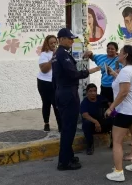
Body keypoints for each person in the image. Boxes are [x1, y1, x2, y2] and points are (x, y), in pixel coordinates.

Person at [52, 28, 100, 171]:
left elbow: (56, 77)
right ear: (61, 39)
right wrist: (90, 71)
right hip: (68, 94)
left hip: (62, 92)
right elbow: (73, 74)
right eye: (69, 38)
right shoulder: (62, 54)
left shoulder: (58, 54)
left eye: (72, 39)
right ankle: (64, 162)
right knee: (69, 129)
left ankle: (68, 155)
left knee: (68, 127)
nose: (72, 41)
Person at [104, 45, 132, 182]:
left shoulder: (126, 71)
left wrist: (111, 108)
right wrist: (115, 74)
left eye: (120, 52)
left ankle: (118, 171)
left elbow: (124, 92)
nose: (118, 54)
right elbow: (127, 86)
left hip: (125, 111)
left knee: (117, 141)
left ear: (126, 55)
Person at [37, 35, 61, 132]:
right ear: (47, 43)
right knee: (46, 103)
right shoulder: (44, 54)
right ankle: (46, 123)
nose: (53, 45)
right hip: (44, 83)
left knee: (57, 104)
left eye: (55, 42)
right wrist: (53, 58)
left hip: (55, 82)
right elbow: (44, 70)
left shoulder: (60, 53)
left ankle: (60, 125)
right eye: (51, 43)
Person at [80, 83, 113, 155]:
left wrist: (113, 112)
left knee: (115, 119)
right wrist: (96, 122)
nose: (93, 93)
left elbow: (110, 104)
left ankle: (114, 142)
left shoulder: (101, 98)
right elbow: (85, 115)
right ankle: (90, 146)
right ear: (87, 92)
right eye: (90, 91)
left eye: (94, 91)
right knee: (86, 123)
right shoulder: (85, 102)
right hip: (93, 126)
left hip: (102, 124)